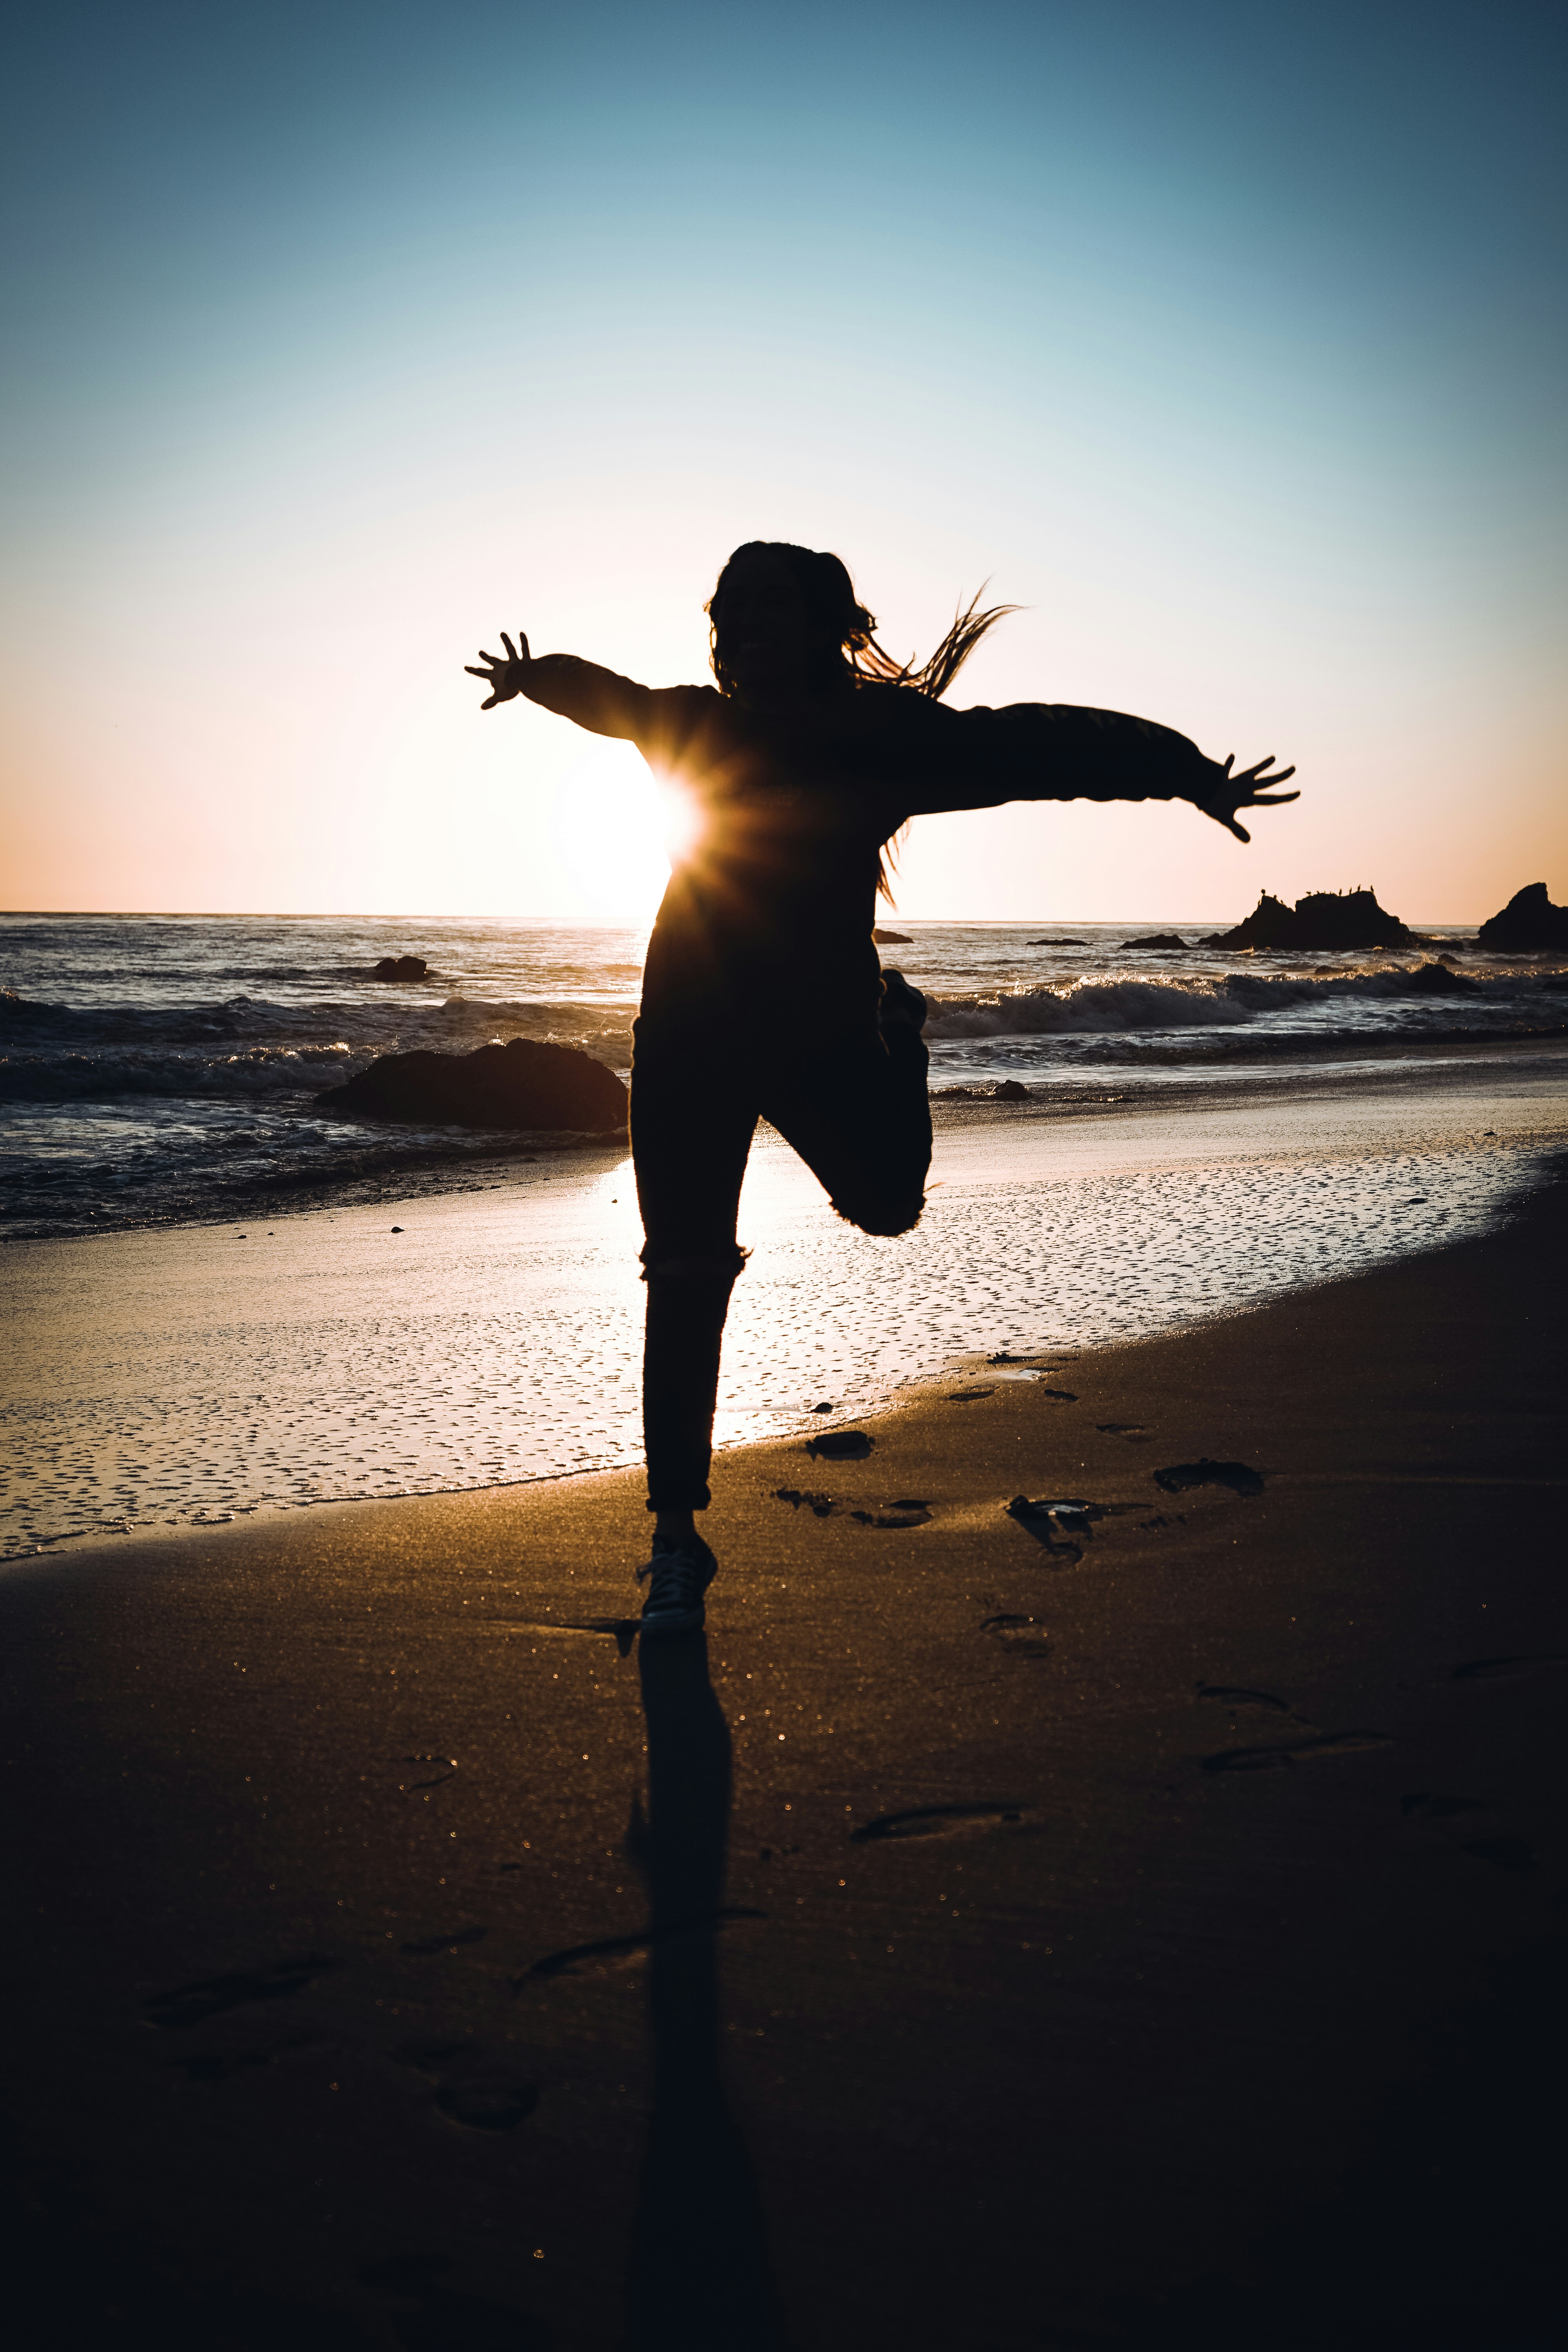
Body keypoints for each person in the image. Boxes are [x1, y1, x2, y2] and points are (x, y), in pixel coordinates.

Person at [467, 542, 1296, 1636]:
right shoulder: (693, 727)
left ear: (823, 624)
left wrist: (1185, 769)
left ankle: (901, 1029)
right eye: (728, 609)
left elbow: (1039, 746)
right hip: (688, 1038)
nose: (742, 624)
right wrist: (534, 679)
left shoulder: (883, 737)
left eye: (770, 604)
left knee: (888, 1204)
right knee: (682, 1269)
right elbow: (606, 698)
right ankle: (676, 1541)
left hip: (822, 1040)